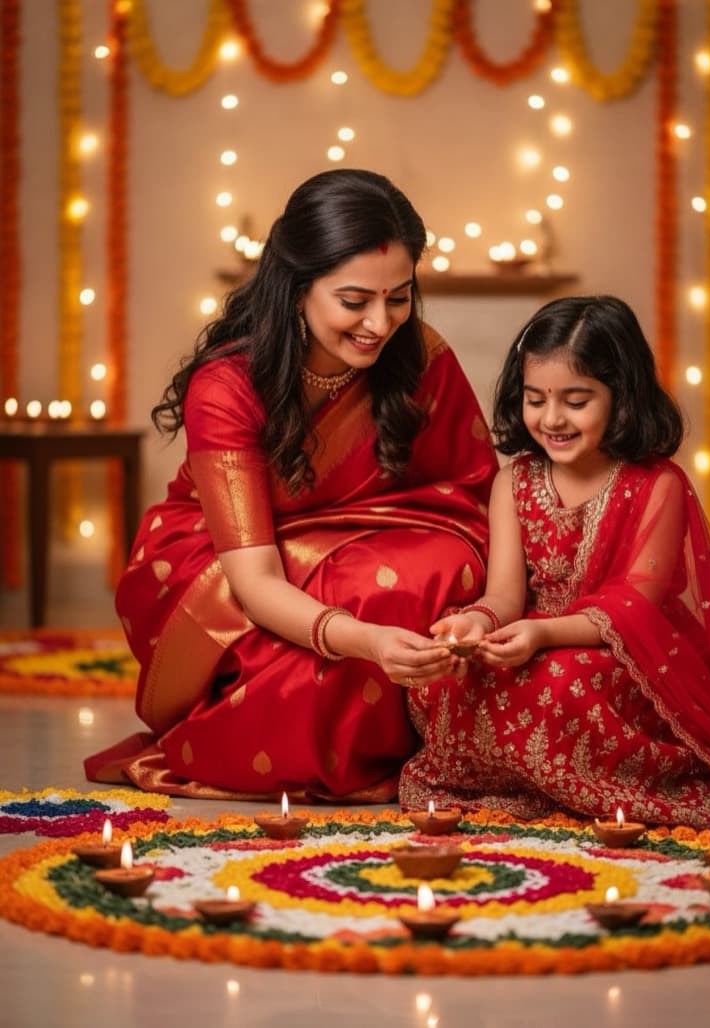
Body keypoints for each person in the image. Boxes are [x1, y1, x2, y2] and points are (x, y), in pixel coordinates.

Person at [85, 169, 497, 802]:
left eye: (399, 297)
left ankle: (419, 744)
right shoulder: (228, 386)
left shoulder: (418, 354)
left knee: (443, 565)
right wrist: (367, 640)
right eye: (354, 301)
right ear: (298, 287)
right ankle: (330, 744)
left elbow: (473, 491)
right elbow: (255, 579)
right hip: (228, 560)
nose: (380, 323)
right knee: (373, 589)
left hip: (376, 537)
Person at [400, 294, 710, 836]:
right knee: (445, 678)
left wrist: (543, 634)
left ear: (622, 395)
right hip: (530, 640)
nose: (552, 419)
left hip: (622, 656)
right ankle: (529, 776)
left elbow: (636, 604)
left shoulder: (657, 485)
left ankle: (564, 779)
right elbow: (505, 595)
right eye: (536, 399)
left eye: (576, 400)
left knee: (564, 681)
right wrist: (477, 623)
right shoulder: (513, 482)